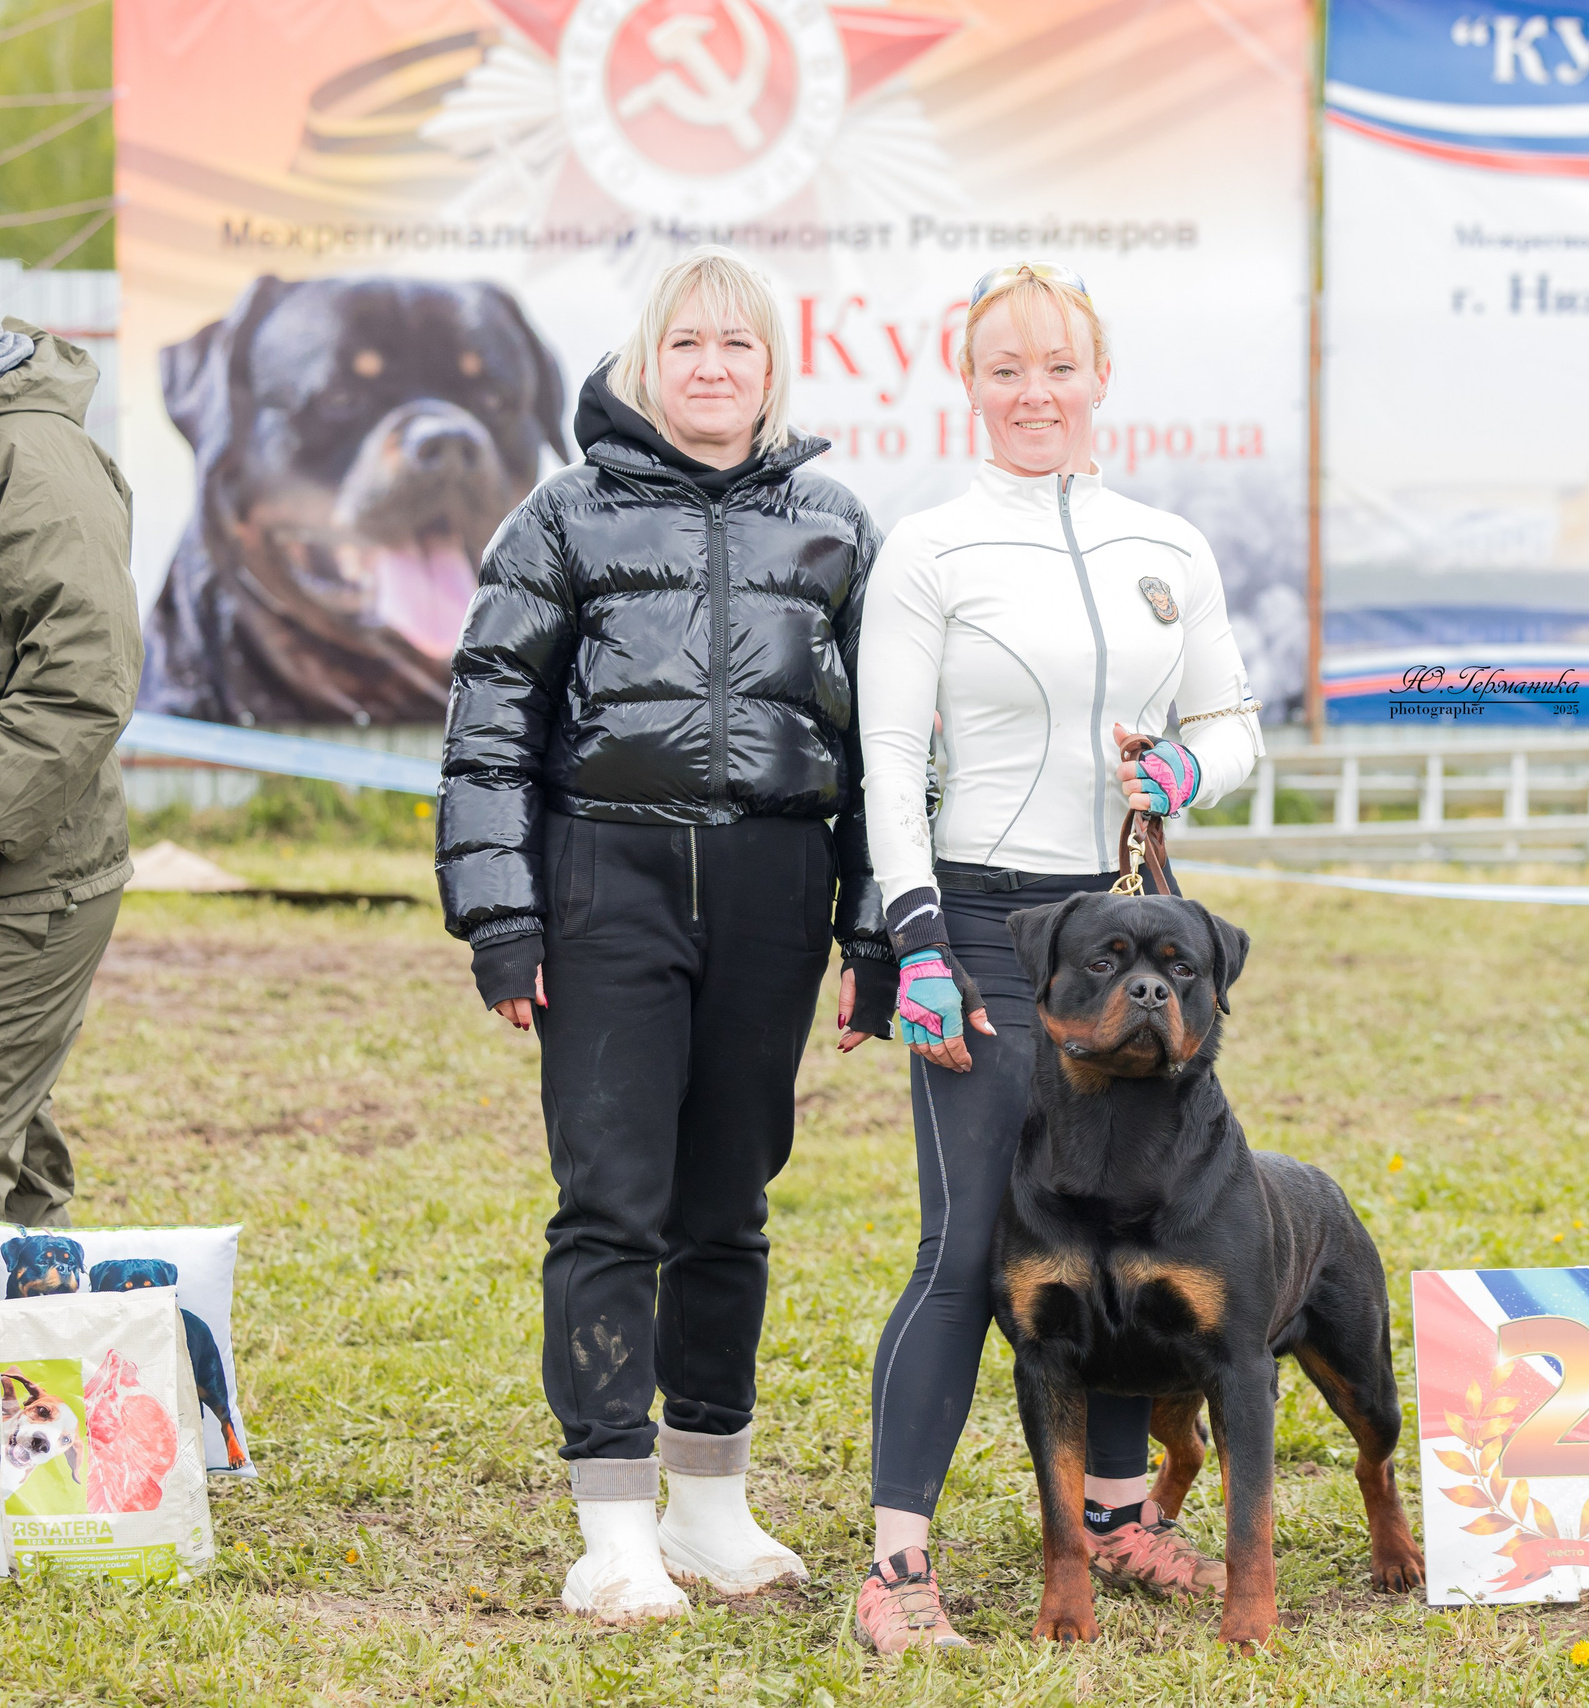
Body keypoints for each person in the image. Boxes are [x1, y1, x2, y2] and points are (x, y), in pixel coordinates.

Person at [436, 247, 893, 1622]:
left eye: (736, 345)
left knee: (728, 1208)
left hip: (775, 888)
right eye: (686, 343)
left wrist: (875, 929)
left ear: (772, 368)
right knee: (611, 1202)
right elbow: (489, 723)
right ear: (646, 363)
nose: (711, 366)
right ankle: (614, 1528)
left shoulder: (838, 526)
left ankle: (707, 1504)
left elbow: (888, 751)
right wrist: (502, 917)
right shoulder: (561, 518)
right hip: (604, 883)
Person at [847, 262, 1264, 1654]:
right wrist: (912, 940)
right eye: (1006, 368)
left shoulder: (1169, 546)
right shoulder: (932, 547)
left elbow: (1234, 722)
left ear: (1100, 378)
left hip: (1131, 933)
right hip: (979, 931)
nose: (1036, 393)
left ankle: (1121, 1519)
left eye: (1060, 366)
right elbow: (889, 762)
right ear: (970, 384)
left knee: (1138, 1228)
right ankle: (897, 1566)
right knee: (968, 1245)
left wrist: (1192, 766)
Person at [0, 318, 138, 1230]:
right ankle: (43, 1303)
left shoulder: (33, 457)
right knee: (21, 1167)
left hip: (29, 880)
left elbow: (83, 680)